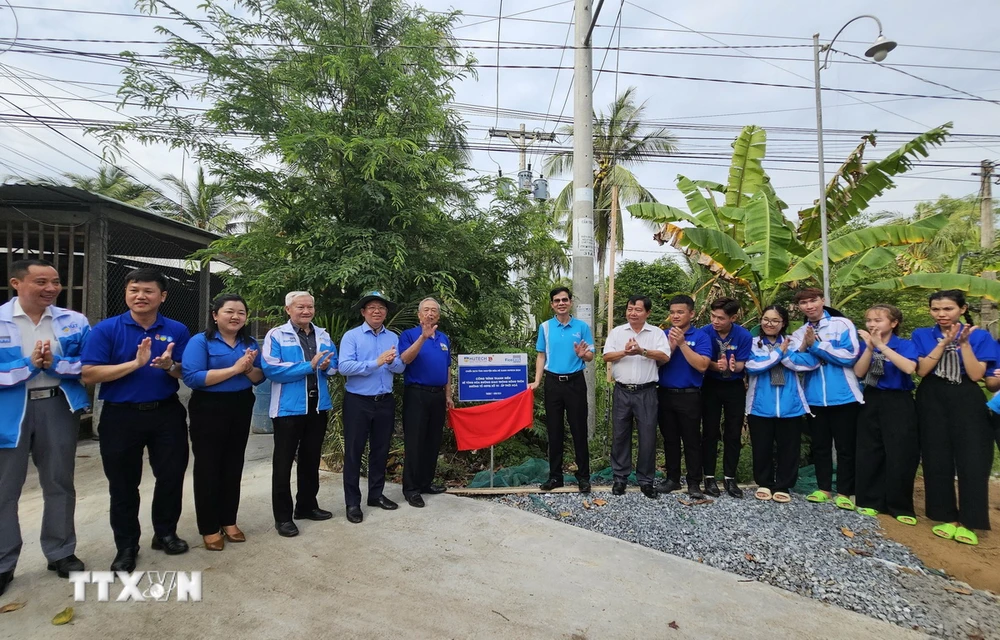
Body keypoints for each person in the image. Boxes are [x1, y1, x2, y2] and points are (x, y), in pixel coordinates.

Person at [81, 268, 191, 572]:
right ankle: (127, 545)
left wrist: (170, 366)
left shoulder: (177, 329)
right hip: (121, 415)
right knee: (123, 484)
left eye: (148, 291)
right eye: (134, 290)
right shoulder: (106, 329)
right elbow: (88, 374)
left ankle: (166, 533)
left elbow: (186, 373)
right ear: (127, 294)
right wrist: (135, 364)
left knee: (171, 476)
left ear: (162, 296)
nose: (140, 296)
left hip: (166, 413)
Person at [0, 259, 90, 595]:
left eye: (55, 282)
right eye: (41, 282)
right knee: (4, 489)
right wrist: (28, 365)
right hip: (9, 410)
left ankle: (61, 551)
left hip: (57, 404)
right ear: (16, 283)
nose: (50, 288)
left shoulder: (73, 322)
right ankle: (4, 561)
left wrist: (57, 364)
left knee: (59, 482)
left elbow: (89, 363)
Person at [181, 293, 265, 550]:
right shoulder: (201, 342)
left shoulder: (249, 343)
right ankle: (208, 527)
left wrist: (249, 368)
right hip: (208, 407)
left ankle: (229, 520)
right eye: (229, 311)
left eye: (241, 312)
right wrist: (234, 369)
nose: (235, 316)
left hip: (240, 405)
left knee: (233, 464)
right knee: (208, 467)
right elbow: (192, 378)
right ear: (215, 315)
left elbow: (259, 378)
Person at [913, 290, 995, 546]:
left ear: (961, 309)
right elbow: (923, 370)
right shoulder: (922, 335)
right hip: (932, 395)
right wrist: (941, 343)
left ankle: (971, 520)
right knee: (936, 455)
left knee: (973, 457)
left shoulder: (980, 336)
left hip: (966, 395)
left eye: (947, 309)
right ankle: (943, 514)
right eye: (936, 309)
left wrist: (964, 344)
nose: (941, 314)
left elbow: (975, 375)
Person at [261, 292, 337, 538]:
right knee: (282, 464)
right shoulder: (277, 335)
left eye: (310, 306)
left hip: (317, 407)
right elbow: (272, 369)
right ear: (288, 309)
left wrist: (327, 366)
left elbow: (334, 365)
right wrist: (310, 366)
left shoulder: (323, 334)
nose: (306, 311)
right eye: (300, 307)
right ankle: (283, 517)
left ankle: (307, 506)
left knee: (310, 459)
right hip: (287, 409)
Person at [790, 287, 862, 510]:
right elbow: (794, 361)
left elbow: (850, 356)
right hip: (814, 397)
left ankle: (845, 491)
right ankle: (823, 489)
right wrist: (806, 346)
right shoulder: (800, 332)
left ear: (822, 300)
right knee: (819, 446)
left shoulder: (842, 324)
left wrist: (817, 347)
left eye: (813, 301)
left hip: (844, 395)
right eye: (803, 303)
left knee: (845, 447)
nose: (809, 306)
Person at [339, 290, 406, 523]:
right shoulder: (352, 336)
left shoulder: (393, 337)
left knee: (380, 451)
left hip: (384, 401)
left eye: (381, 308)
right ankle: (352, 503)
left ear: (386, 313)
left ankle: (376, 495)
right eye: (372, 308)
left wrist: (393, 363)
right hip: (358, 402)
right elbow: (344, 367)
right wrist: (376, 362)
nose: (377, 311)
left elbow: (399, 368)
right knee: (354, 453)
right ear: (363, 312)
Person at [853, 304, 920, 525]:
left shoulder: (905, 345)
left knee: (900, 452)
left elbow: (909, 368)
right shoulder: (867, 345)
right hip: (871, 397)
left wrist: (881, 345)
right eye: (869, 320)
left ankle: (900, 505)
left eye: (878, 320)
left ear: (894, 323)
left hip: (898, 400)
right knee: (870, 449)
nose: (872, 324)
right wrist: (871, 348)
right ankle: (870, 501)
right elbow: (859, 372)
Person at [745, 305, 818, 503]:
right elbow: (752, 366)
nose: (770, 324)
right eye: (766, 319)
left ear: (783, 323)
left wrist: (784, 354)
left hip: (790, 404)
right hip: (760, 404)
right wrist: (778, 354)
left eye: (775, 320)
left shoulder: (793, 342)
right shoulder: (752, 343)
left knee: (789, 448)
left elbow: (809, 363)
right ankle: (764, 483)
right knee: (762, 447)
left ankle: (784, 485)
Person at [602, 295, 671, 499]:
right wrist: (625, 352)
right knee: (620, 435)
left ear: (647, 313)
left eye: (638, 309)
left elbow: (665, 356)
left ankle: (646, 480)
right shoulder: (617, 332)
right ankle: (620, 478)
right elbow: (606, 356)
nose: (633, 313)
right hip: (622, 390)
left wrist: (642, 351)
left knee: (647, 436)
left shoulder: (657, 333)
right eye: (630, 308)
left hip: (647, 392)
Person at [528, 287, 595, 493]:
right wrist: (537, 381)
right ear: (552, 304)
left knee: (579, 431)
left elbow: (591, 356)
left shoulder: (582, 327)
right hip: (553, 383)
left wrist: (583, 355)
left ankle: (583, 477)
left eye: (564, 299)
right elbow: (541, 355)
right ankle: (555, 477)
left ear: (570, 302)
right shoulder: (545, 327)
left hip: (575, 383)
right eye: (556, 300)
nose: (561, 303)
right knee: (554, 431)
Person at [398, 297, 453, 508]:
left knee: (432, 440)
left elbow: (447, 369)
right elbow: (405, 359)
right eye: (426, 310)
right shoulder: (408, 335)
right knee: (415, 441)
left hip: (438, 395)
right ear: (419, 315)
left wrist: (448, 395)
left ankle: (426, 482)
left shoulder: (443, 338)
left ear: (438, 315)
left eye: (434, 311)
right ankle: (411, 488)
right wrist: (422, 337)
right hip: (417, 394)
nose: (430, 314)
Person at [655, 295, 712, 498]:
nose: (675, 316)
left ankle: (694, 482)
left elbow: (702, 365)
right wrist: (670, 346)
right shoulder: (663, 334)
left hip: (690, 395)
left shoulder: (702, 336)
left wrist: (682, 344)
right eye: (672, 313)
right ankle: (672, 478)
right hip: (665, 393)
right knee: (670, 439)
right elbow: (657, 363)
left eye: (680, 312)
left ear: (691, 313)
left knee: (691, 440)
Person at [699, 297, 752, 498]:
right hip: (710, 385)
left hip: (734, 387)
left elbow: (740, 364)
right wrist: (716, 366)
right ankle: (709, 476)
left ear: (733, 317)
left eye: (720, 318)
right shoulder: (705, 332)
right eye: (713, 316)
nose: (715, 321)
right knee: (710, 432)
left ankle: (730, 477)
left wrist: (732, 366)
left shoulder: (743, 336)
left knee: (732, 433)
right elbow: (704, 361)